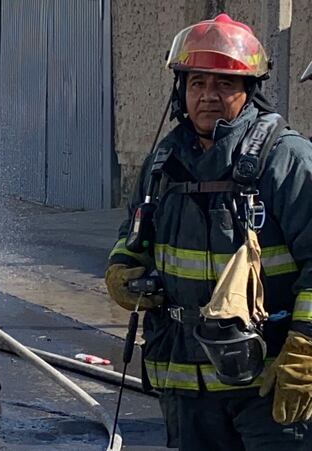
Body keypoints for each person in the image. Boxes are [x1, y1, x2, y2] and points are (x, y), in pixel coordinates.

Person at [105, 14, 312, 450]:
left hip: (267, 384)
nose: (208, 97)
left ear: (249, 91)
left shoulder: (285, 158)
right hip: (184, 382)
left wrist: (305, 345)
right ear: (180, 90)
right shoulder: (165, 160)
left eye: (224, 85)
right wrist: (122, 265)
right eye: (197, 83)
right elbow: (135, 231)